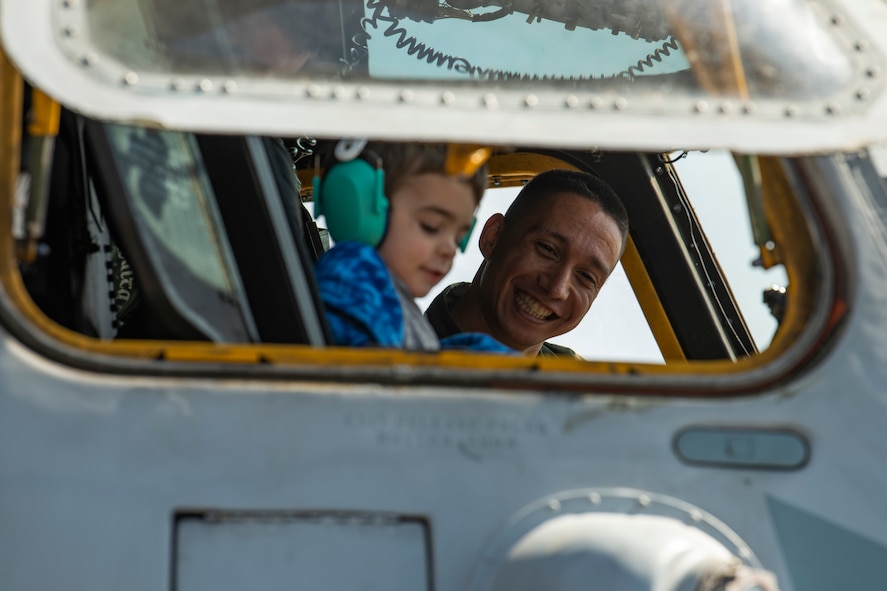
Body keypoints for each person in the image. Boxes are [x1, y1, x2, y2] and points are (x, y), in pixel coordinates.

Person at [313, 140, 513, 353]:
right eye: (431, 226)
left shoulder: (391, 298)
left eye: (458, 238)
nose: (449, 250)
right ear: (362, 209)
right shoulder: (352, 276)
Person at [425, 169, 629, 357]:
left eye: (586, 276)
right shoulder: (401, 351)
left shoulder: (585, 385)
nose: (557, 288)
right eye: (547, 249)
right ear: (493, 237)